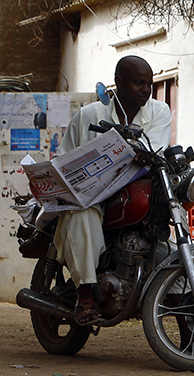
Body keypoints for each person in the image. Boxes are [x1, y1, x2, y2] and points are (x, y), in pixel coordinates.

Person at [54, 55, 171, 326]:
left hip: (133, 197)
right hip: (92, 198)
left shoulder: (159, 112)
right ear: (118, 82)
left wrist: (143, 155)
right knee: (81, 215)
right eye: (138, 83)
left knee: (167, 248)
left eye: (149, 84)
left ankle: (189, 335)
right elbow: (63, 160)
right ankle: (85, 296)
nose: (145, 89)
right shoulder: (89, 115)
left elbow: (153, 148)